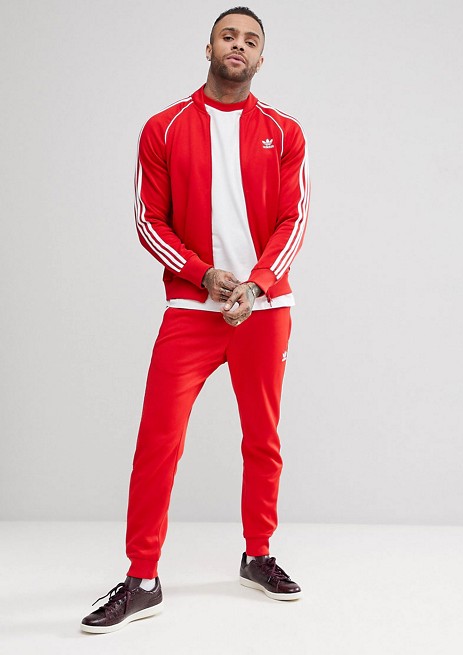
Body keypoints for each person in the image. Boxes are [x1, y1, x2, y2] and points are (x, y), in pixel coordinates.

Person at [81, 6, 310, 633]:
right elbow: (148, 220)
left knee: (262, 437)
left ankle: (258, 555)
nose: (239, 45)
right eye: (228, 35)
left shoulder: (286, 132)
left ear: (262, 58)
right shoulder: (164, 127)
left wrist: (257, 284)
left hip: (265, 310)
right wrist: (203, 275)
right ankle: (142, 578)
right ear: (208, 48)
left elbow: (294, 219)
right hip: (191, 308)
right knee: (159, 440)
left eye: (251, 40)